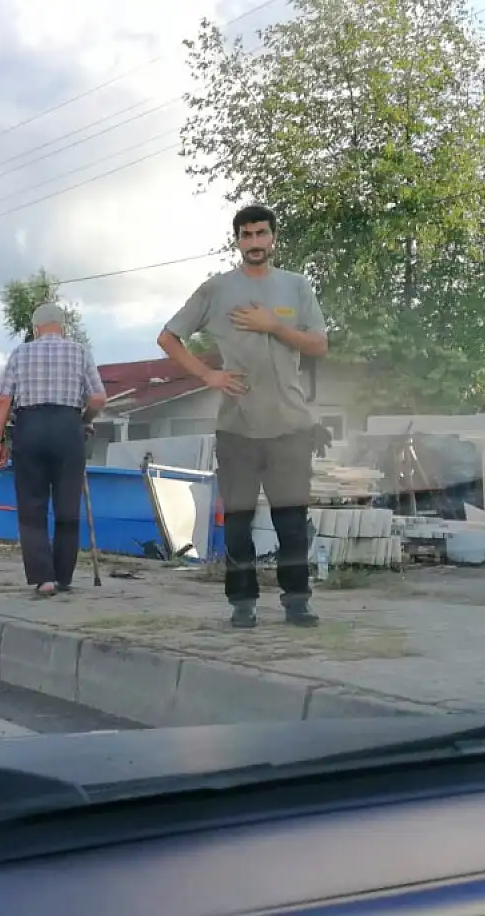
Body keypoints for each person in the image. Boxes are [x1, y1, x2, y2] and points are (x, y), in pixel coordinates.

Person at [157, 203, 330, 629]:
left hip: (291, 425)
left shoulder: (296, 287)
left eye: (261, 234)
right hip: (237, 427)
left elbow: (319, 345)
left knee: (290, 520)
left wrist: (274, 326)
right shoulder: (216, 290)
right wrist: (208, 375)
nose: (254, 243)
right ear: (237, 241)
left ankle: (297, 601)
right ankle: (242, 603)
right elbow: (168, 336)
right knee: (237, 522)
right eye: (246, 235)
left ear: (273, 238)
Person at [0, 303, 108, 597]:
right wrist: (83, 421)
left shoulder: (20, 353)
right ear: (63, 326)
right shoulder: (79, 351)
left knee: (32, 507)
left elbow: (3, 401)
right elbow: (98, 398)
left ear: (35, 328)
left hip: (29, 428)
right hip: (68, 429)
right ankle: (64, 577)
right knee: (67, 507)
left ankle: (44, 579)